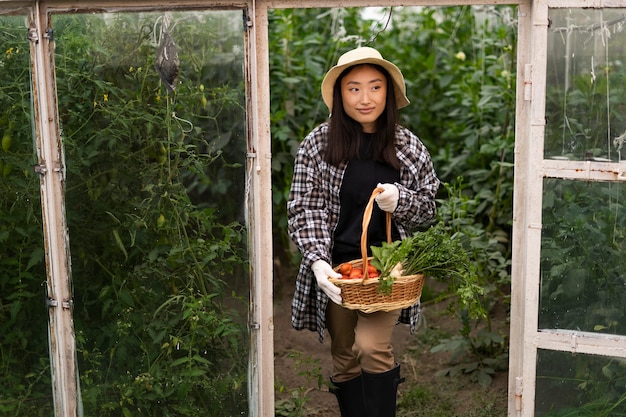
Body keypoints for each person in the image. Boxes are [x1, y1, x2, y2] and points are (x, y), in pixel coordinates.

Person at [287, 46, 440, 417]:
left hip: (387, 273)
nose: (365, 98)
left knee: (370, 346)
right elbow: (305, 207)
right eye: (353, 88)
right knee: (344, 353)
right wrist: (319, 262)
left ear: (388, 93)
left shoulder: (407, 146)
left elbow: (430, 210)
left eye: (374, 87)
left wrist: (400, 200)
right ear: (340, 95)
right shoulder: (318, 145)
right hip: (341, 273)